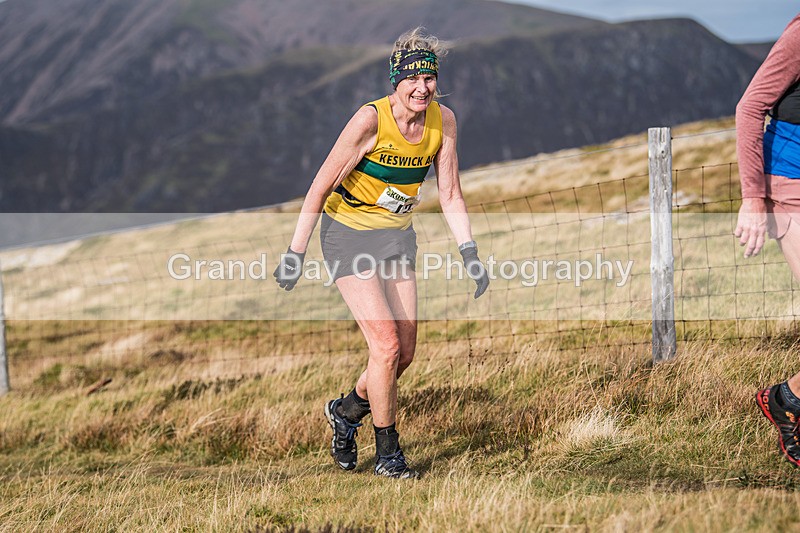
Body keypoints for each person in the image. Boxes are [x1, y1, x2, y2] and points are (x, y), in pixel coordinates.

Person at [273, 27, 490, 479]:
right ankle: (389, 455)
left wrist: (469, 252)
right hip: (347, 235)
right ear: (396, 81)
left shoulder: (443, 121)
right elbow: (319, 187)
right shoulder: (370, 121)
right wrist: (295, 252)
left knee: (403, 354)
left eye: (429, 79)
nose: (422, 88)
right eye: (412, 79)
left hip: (395, 238)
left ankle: (346, 411)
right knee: (386, 346)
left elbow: (450, 193)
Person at [735, 14, 800, 467]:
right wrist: (753, 199)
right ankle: (785, 401)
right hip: (790, 186)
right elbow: (749, 107)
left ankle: (788, 397)